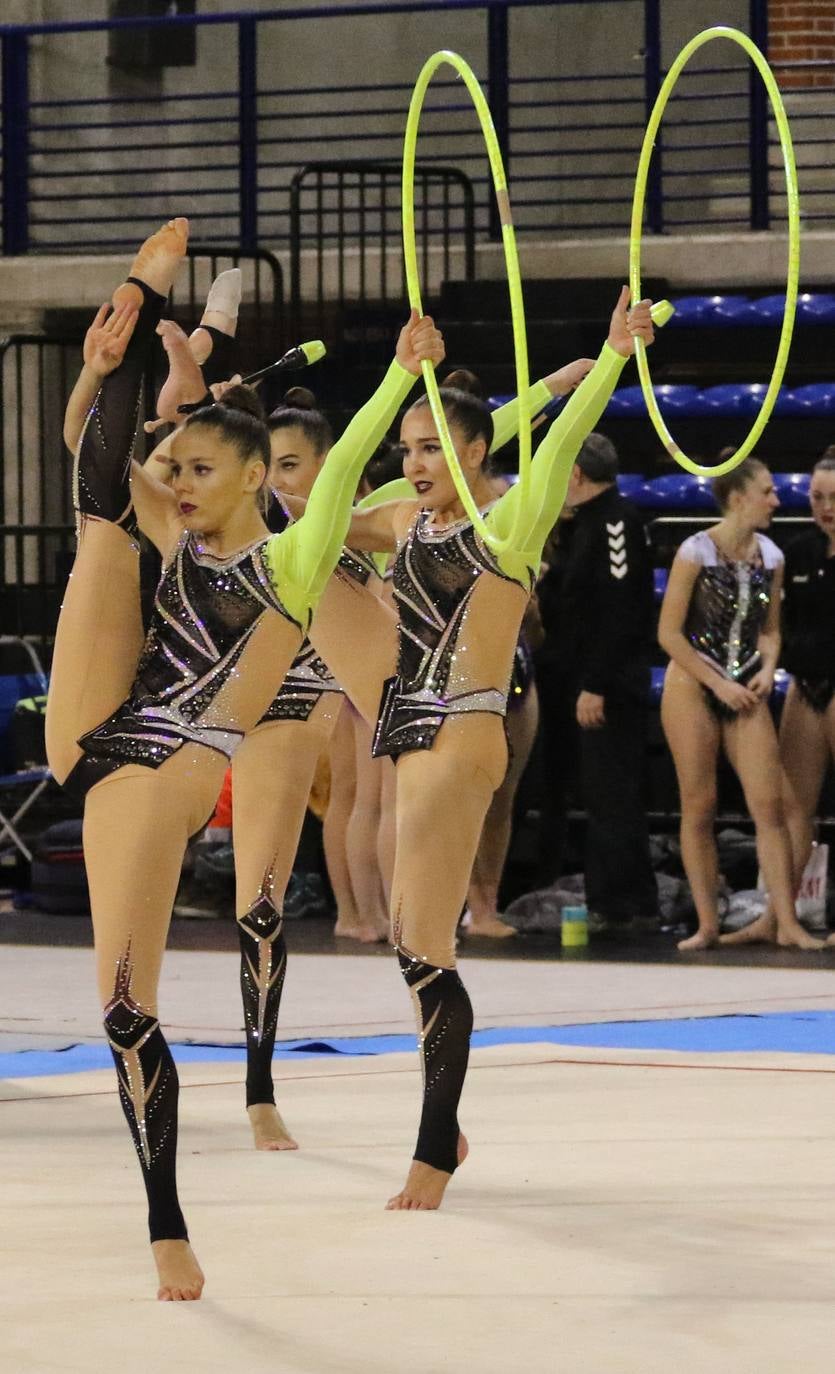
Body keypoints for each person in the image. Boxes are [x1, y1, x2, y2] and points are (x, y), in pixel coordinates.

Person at [46, 216, 444, 1300]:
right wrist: (118, 351)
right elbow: (97, 455)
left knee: (130, 1012)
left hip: (184, 751)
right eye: (171, 463)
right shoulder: (166, 525)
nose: (173, 478)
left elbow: (362, 468)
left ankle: (166, 1219)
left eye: (196, 466)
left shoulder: (294, 554)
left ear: (253, 476)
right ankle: (139, 292)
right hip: (113, 734)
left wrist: (403, 383)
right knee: (95, 515)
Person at [309, 287, 654, 1210]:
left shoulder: (509, 524)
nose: (414, 462)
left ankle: (432, 1148)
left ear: (472, 452)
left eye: (433, 448)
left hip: (463, 730)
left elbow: (537, 454)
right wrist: (397, 382)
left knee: (423, 949)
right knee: (415, 947)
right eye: (409, 447)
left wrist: (608, 360)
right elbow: (331, 498)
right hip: (405, 723)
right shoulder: (401, 521)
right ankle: (443, 1125)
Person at [657, 456, 822, 952]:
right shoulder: (695, 552)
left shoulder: (771, 556)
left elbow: (771, 629)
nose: (776, 500)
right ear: (736, 498)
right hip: (692, 684)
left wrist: (768, 668)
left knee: (769, 806)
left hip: (745, 683)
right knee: (699, 804)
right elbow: (669, 633)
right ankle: (708, 924)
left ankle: (785, 921)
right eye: (767, 492)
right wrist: (716, 682)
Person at [537, 432, 657, 935]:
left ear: (577, 474)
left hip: (606, 686)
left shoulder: (615, 522)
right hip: (580, 680)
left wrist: (597, 683)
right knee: (597, 791)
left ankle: (626, 904)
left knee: (614, 795)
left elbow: (620, 608)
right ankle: (610, 897)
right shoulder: (585, 524)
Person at [730, 450, 835, 946]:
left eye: (834, 497)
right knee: (794, 808)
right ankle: (780, 915)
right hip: (804, 684)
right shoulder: (797, 551)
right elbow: (773, 626)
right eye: (817, 497)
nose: (826, 507)